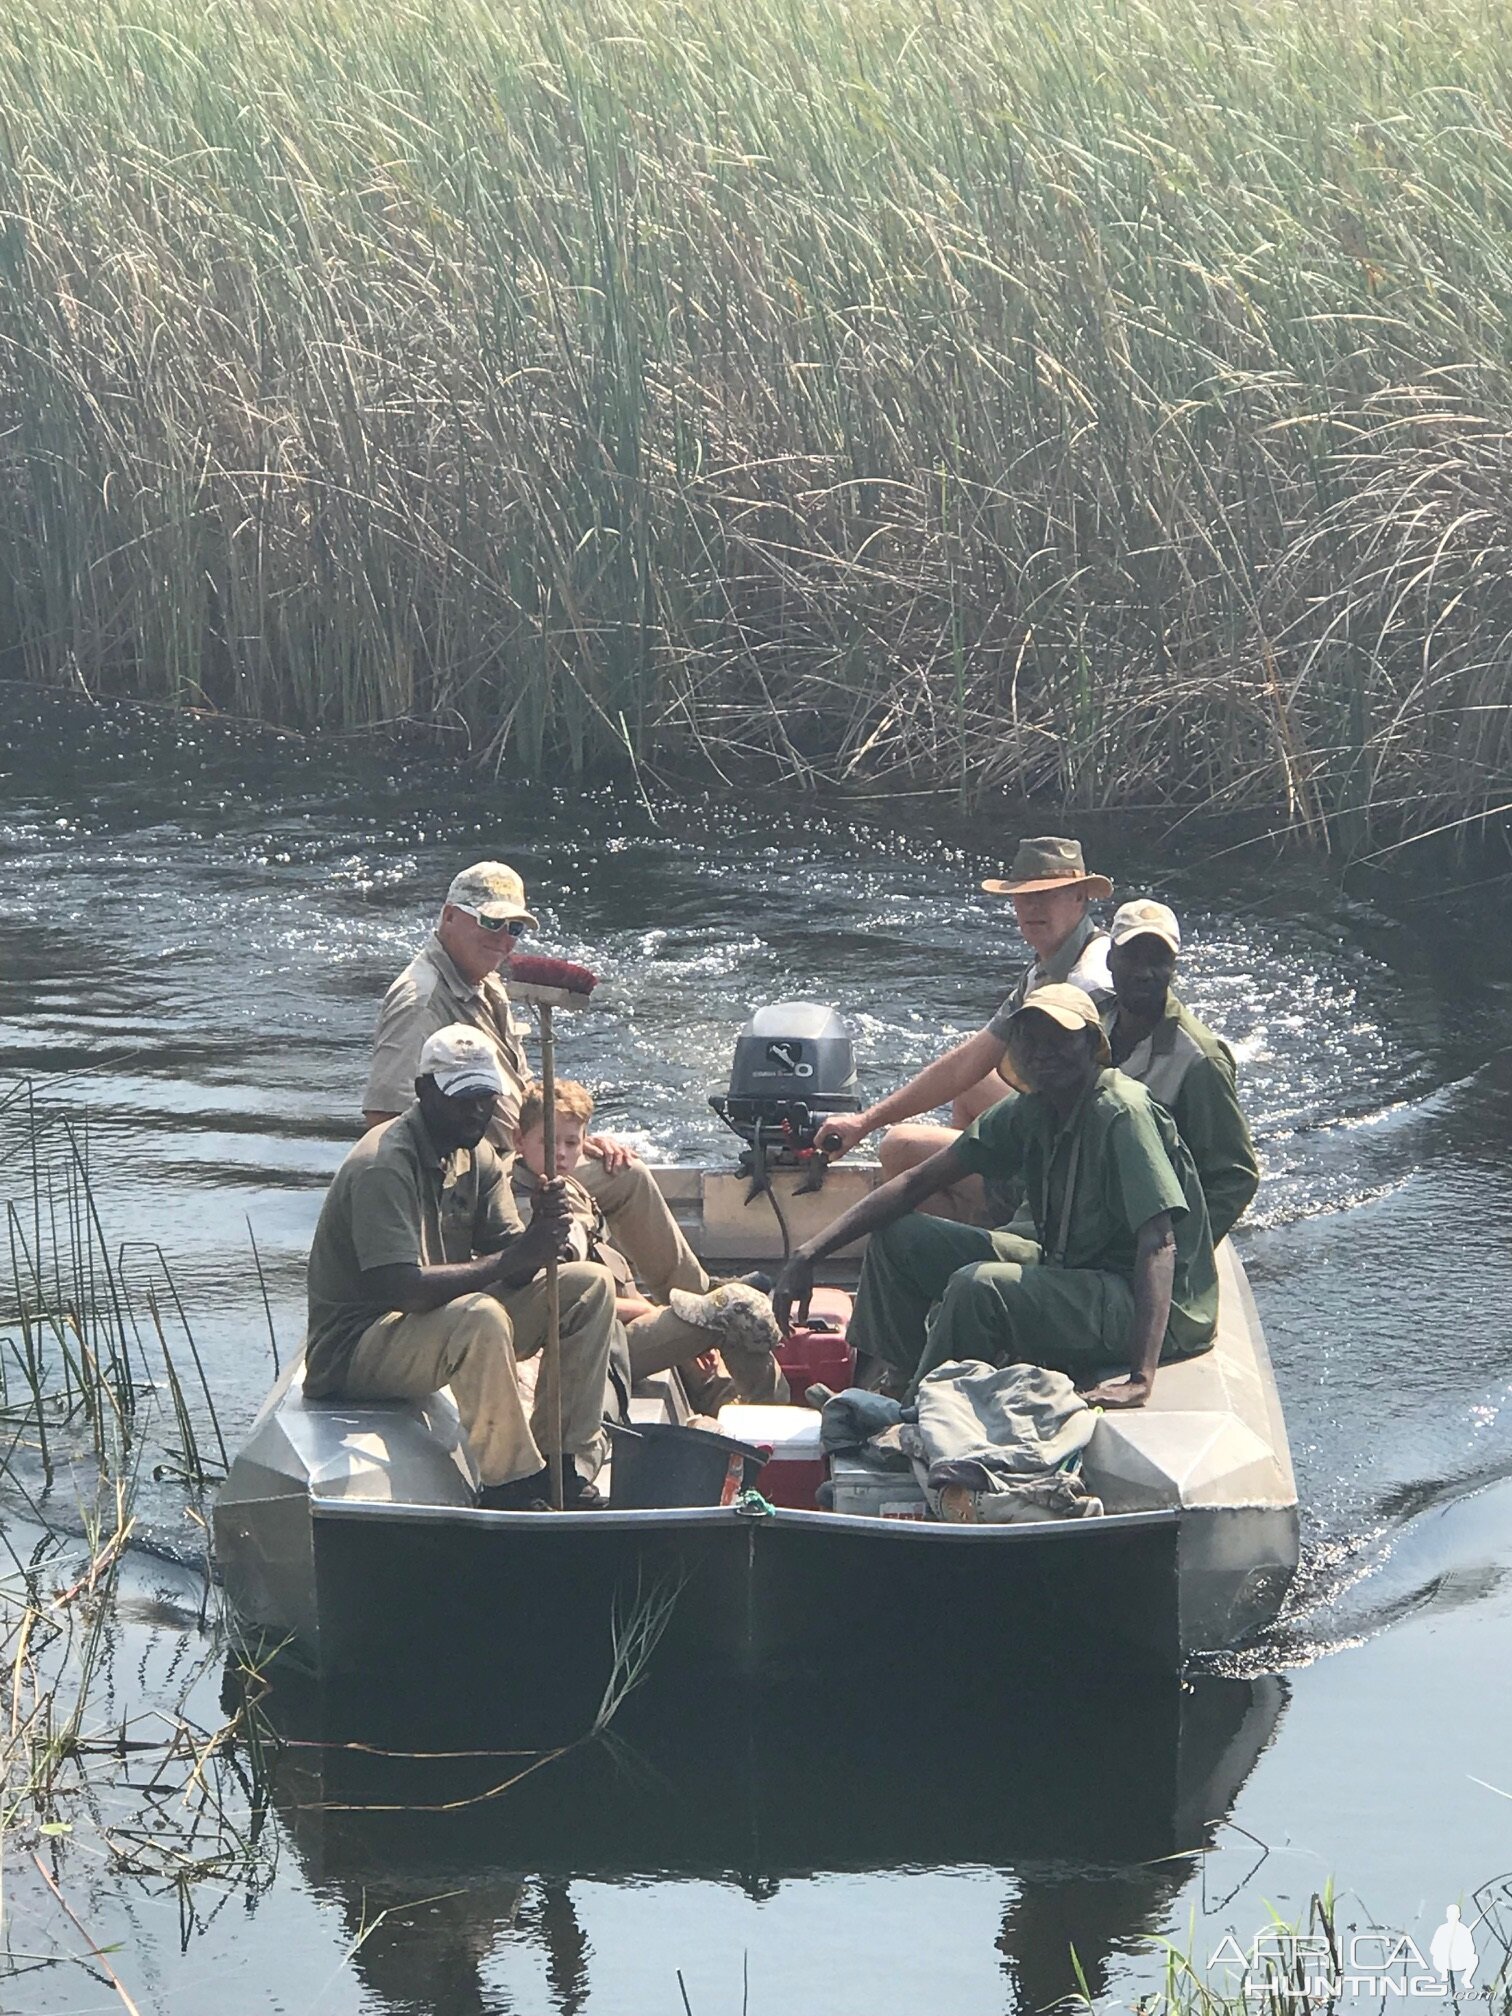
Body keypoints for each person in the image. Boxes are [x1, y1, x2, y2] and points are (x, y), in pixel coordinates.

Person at [772, 985, 1218, 1410]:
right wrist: (809, 1254)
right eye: (1031, 1039)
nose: (1043, 1051)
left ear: (1089, 1045)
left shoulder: (1121, 1112)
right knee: (899, 1238)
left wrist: (1141, 1378)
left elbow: (1159, 1243)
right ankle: (900, 1383)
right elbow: (917, 1183)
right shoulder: (1033, 1108)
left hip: (1143, 1302)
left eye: (1060, 1039)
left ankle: (912, 1417)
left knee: (978, 1287)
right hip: (1073, 1267)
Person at [362, 860, 709, 1304]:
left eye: (515, 928)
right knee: (603, 1206)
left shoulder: (487, 986)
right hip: (480, 1175)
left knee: (625, 1172)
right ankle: (680, 1316)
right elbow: (383, 1122)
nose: (503, 938)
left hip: (525, 1150)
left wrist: (573, 1139)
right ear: (449, 916)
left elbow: (527, 1093)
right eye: (490, 921)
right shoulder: (420, 1001)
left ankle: (694, 1302)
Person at [306, 1023, 616, 1509]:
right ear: (424, 1090)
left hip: (426, 1321)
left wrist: (542, 1235)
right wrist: (515, 1256)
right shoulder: (383, 1164)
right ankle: (509, 1483)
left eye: (485, 1097)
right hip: (357, 1345)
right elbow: (403, 1290)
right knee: (479, 1317)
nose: (476, 1111)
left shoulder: (479, 1156)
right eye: (461, 1098)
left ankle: (562, 1461)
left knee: (588, 1286)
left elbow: (514, 1266)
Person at [816, 835, 1114, 1224]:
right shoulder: (1049, 966)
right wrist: (863, 1122)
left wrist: (881, 1131)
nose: (1032, 907)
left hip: (1074, 1160)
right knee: (972, 1082)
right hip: (1053, 1122)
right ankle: (973, 1208)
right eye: (1024, 896)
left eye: (1049, 894)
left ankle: (986, 1239)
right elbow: (967, 1064)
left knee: (900, 1147)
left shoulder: (1088, 983)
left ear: (1080, 897)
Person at [511, 1079, 788, 1406]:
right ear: (518, 1141)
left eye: (572, 1142)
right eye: (547, 1142)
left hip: (611, 1326)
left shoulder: (566, 1185)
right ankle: (774, 1411)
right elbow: (562, 1304)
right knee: (737, 1310)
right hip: (586, 1348)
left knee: (715, 1370)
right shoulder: (528, 1212)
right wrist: (660, 1312)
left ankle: (733, 1404)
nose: (560, 1153)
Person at [1104, 900, 1260, 1244]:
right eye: (1132, 956)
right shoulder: (1086, 1025)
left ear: (1173, 967)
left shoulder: (1199, 1061)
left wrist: (1177, 1251)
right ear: (1109, 959)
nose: (1144, 972)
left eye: (1158, 960)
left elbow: (1235, 1179)